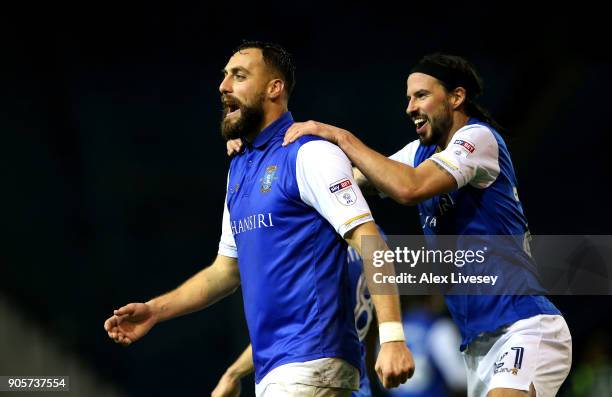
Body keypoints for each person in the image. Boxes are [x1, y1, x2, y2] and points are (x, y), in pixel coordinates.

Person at [103, 41, 414, 397]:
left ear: (274, 88)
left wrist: (392, 338)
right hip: (277, 369)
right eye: (224, 77)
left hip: (311, 361)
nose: (223, 86)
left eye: (239, 76)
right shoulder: (238, 171)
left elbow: (371, 240)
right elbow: (225, 271)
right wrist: (156, 311)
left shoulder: (310, 153)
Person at [279, 54, 572, 397]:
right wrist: (263, 155)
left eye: (420, 95)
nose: (409, 107)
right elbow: (346, 181)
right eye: (408, 98)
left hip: (525, 327)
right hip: (477, 347)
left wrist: (342, 137)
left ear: (456, 97)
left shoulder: (479, 139)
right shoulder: (418, 153)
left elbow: (410, 187)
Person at [211, 241, 378, 397]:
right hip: (353, 380)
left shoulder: (315, 249)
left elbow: (295, 329)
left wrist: (233, 374)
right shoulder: (376, 237)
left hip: (319, 376)